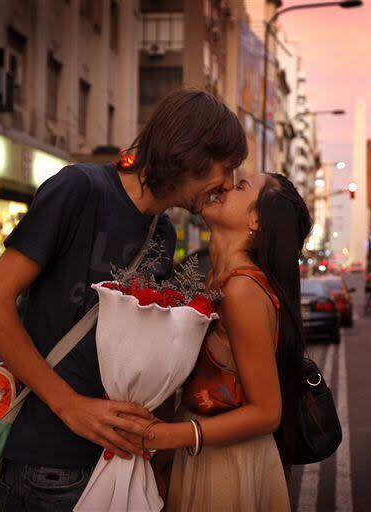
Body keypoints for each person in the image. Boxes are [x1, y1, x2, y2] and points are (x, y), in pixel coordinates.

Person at [0, 88, 248, 511]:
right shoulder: (79, 189)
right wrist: (71, 407)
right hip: (50, 467)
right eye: (225, 168)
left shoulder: (163, 233)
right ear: (189, 152)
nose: (227, 183)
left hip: (119, 467)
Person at [119, 172, 312, 511]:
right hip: (200, 450)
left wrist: (167, 436)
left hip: (227, 464)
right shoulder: (215, 279)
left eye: (241, 186)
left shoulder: (242, 290)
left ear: (256, 219)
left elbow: (267, 413)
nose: (225, 186)